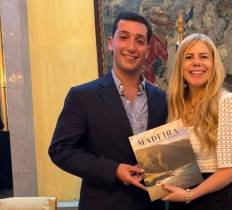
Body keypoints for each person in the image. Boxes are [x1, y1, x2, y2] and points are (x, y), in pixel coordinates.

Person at [48, 12, 167, 210]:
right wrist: (114, 170)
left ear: (147, 50)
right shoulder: (82, 96)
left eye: (139, 41)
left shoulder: (160, 98)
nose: (131, 47)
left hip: (150, 205)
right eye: (124, 37)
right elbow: (60, 150)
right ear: (111, 43)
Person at [161, 33, 232, 210]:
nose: (196, 62)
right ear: (181, 66)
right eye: (188, 57)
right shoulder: (174, 105)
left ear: (214, 64)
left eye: (203, 56)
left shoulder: (228, 102)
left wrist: (190, 195)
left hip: (213, 202)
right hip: (178, 201)